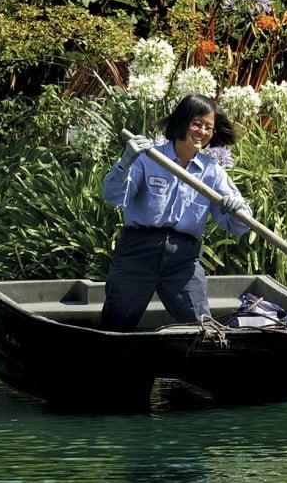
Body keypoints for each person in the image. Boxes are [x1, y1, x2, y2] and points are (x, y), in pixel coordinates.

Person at [101, 94, 252, 330]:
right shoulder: (148, 159)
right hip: (138, 253)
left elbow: (237, 225)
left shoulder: (212, 172)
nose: (202, 131)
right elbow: (113, 197)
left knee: (203, 328)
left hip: (183, 261)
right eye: (197, 123)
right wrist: (124, 164)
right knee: (115, 326)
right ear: (182, 122)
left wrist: (236, 210)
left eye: (208, 127)